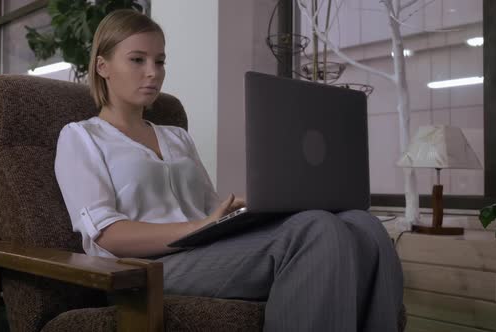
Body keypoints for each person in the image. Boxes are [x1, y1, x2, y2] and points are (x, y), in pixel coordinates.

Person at [55, 9, 403, 332]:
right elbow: (107, 236)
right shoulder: (81, 137)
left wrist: (253, 208)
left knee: (364, 225)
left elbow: (211, 208)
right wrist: (197, 227)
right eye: (137, 60)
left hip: (206, 250)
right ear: (102, 66)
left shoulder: (176, 137)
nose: (153, 72)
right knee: (317, 229)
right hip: (143, 269)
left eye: (159, 61)